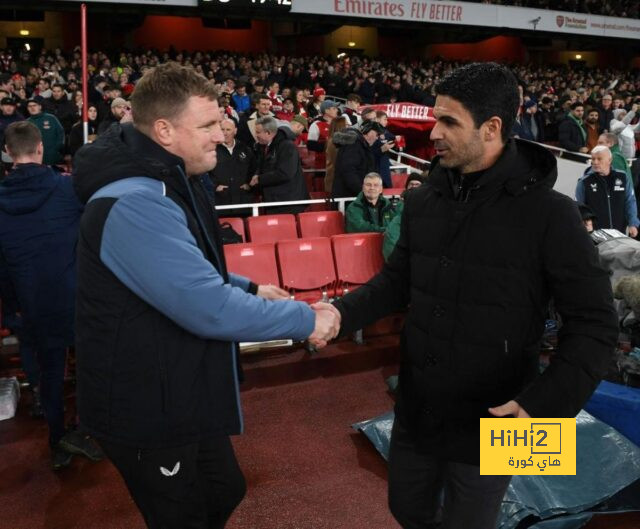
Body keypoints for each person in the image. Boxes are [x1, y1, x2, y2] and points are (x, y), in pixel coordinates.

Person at [327, 63, 617, 529]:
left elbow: (596, 325)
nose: (433, 134)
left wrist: (545, 406)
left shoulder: (553, 214)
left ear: (492, 128)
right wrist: (338, 314)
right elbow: (396, 282)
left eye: (448, 122)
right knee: (406, 509)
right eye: (435, 119)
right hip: (419, 405)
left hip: (510, 414)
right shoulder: (421, 201)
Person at [72, 63, 339, 528]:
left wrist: (251, 287)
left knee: (224, 489)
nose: (222, 134)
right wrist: (305, 319)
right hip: (146, 402)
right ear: (163, 130)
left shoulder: (171, 180)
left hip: (175, 386)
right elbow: (205, 305)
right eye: (209, 125)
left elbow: (185, 271)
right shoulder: (137, 199)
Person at [0, 121, 101, 469]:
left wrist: (13, 309)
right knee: (89, 367)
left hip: (32, 302)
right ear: (41, 148)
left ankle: (58, 437)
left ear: (8, 153)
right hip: (75, 294)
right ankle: (87, 431)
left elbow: (1, 265)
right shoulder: (67, 189)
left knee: (50, 373)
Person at [575, 145, 639, 236]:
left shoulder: (622, 177)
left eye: (599, 159)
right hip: (595, 235)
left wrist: (633, 223)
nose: (595, 162)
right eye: (593, 159)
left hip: (619, 232)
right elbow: (579, 207)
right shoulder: (584, 182)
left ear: (609, 160)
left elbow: (630, 201)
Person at [250, 115, 309, 214]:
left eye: (258, 132)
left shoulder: (287, 146)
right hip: (275, 201)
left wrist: (260, 179)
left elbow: (285, 173)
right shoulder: (264, 146)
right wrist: (257, 175)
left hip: (289, 203)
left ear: (268, 133)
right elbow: (263, 166)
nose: (256, 135)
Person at [209, 117, 256, 217]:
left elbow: (254, 170)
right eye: (222, 129)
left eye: (228, 130)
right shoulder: (211, 149)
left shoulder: (245, 149)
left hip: (243, 202)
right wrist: (215, 186)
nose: (225, 133)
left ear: (235, 131)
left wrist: (249, 185)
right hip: (221, 202)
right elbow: (204, 173)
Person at [331, 120, 383, 198]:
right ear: (368, 131)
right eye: (377, 134)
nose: (377, 138)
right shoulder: (354, 144)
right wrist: (363, 192)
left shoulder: (360, 144)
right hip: (349, 196)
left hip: (354, 195)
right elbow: (349, 171)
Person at [26, 96, 65, 166]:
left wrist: (57, 147)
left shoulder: (51, 118)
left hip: (53, 157)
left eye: (34, 105)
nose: (32, 108)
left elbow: (60, 133)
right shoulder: (26, 123)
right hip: (35, 158)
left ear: (40, 107)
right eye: (29, 106)